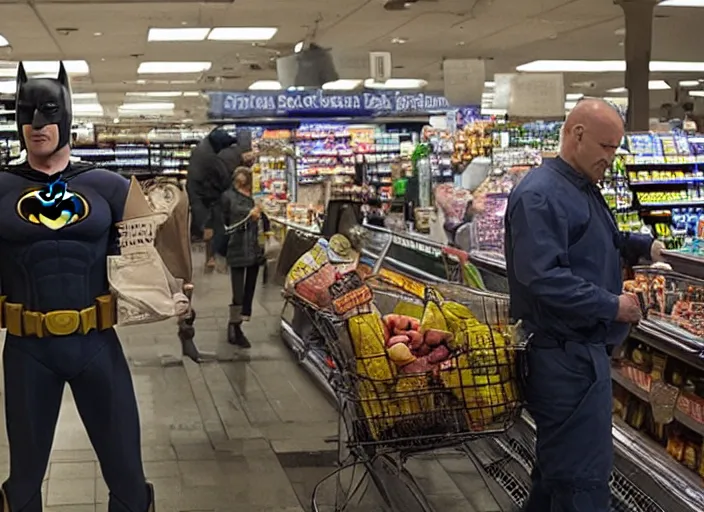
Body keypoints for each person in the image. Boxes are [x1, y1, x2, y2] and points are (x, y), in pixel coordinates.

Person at [0, 63, 156, 511]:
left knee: (127, 474)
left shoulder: (110, 188)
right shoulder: (1, 188)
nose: (36, 124)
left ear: (67, 114)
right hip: (28, 349)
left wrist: (171, 292)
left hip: (96, 346)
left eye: (48, 111)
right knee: (24, 480)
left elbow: (145, 261)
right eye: (25, 112)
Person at [504, 98, 664, 512]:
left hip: (579, 353)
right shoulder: (540, 195)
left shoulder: (578, 186)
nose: (611, 159)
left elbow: (594, 241)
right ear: (577, 135)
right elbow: (542, 278)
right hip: (563, 356)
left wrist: (645, 245)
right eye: (607, 147)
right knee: (582, 481)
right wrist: (613, 306)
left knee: (557, 473)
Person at [221, 167, 263, 348]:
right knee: (237, 292)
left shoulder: (256, 195)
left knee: (249, 291)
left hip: (254, 248)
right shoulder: (228, 197)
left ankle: (241, 321)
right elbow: (226, 225)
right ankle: (234, 327)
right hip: (237, 247)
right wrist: (249, 217)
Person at [186, 127, 237, 271]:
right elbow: (224, 178)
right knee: (218, 229)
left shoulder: (202, 149)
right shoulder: (209, 156)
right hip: (206, 199)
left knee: (209, 229)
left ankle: (211, 258)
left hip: (200, 197)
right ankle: (218, 258)